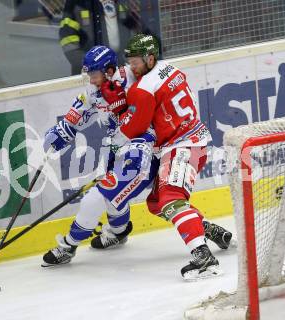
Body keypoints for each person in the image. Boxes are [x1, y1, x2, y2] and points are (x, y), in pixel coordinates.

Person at [111, 33, 232, 280]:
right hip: (191, 141)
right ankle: (206, 229)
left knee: (171, 198)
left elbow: (133, 126)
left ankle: (204, 258)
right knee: (156, 202)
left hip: (183, 146)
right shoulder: (171, 69)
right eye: (130, 61)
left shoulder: (142, 88)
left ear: (150, 58)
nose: (131, 67)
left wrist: (118, 117)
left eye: (135, 62)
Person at [41, 45, 157, 266]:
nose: (92, 80)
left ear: (110, 70)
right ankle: (119, 232)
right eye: (90, 75)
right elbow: (80, 109)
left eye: (94, 75)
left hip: (144, 150)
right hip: (121, 147)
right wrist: (62, 130)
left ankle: (68, 245)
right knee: (115, 198)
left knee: (97, 197)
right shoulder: (95, 89)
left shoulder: (135, 78)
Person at [59, 0, 142, 75]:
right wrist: (89, 65)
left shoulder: (121, 2)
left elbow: (134, 28)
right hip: (91, 75)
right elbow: (67, 40)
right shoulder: (77, 3)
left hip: (121, 69)